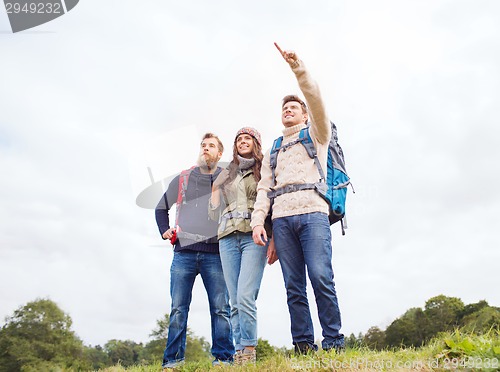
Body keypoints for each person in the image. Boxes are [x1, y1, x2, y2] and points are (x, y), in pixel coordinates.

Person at [251, 43, 345, 353]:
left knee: (321, 277)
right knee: (294, 287)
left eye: (294, 107)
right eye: (285, 108)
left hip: (313, 213)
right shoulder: (275, 148)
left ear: (305, 114)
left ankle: (333, 342)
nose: (288, 110)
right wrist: (257, 223)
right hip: (281, 220)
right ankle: (304, 345)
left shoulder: (317, 134)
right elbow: (265, 188)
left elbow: (316, 98)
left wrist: (298, 68)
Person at [155, 133, 235, 369]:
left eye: (211, 146)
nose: (206, 149)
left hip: (216, 253)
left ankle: (223, 359)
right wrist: (164, 230)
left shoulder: (227, 179)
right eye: (203, 145)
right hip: (184, 252)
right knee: (178, 309)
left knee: (221, 309)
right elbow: (161, 207)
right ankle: (173, 361)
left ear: (219, 154)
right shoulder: (183, 178)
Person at [208, 127, 272, 365]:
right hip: (226, 237)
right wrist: (215, 188)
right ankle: (239, 353)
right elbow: (213, 213)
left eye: (247, 139)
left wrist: (273, 238)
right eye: (238, 140)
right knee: (233, 300)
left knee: (246, 295)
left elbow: (270, 204)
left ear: (256, 143)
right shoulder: (227, 173)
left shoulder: (265, 169)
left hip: (253, 237)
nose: (242, 142)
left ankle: (249, 349)